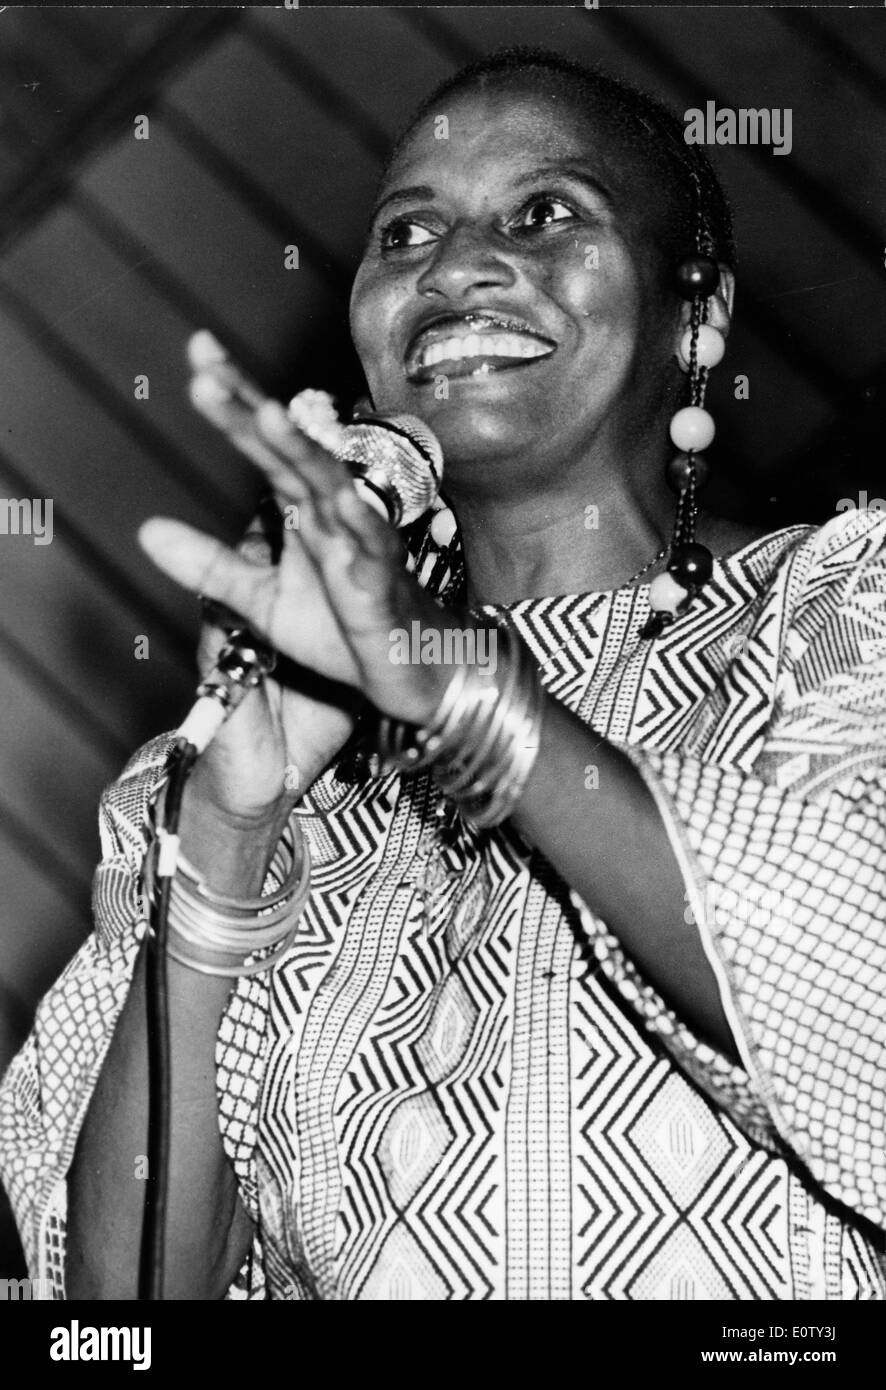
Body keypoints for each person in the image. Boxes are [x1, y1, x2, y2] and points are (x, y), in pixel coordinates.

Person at [1, 48, 884, 1301]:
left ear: (699, 313)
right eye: (404, 231)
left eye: (545, 214)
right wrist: (228, 828)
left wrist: (469, 693)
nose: (455, 266)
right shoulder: (233, 780)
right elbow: (116, 1317)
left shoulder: (839, 615)